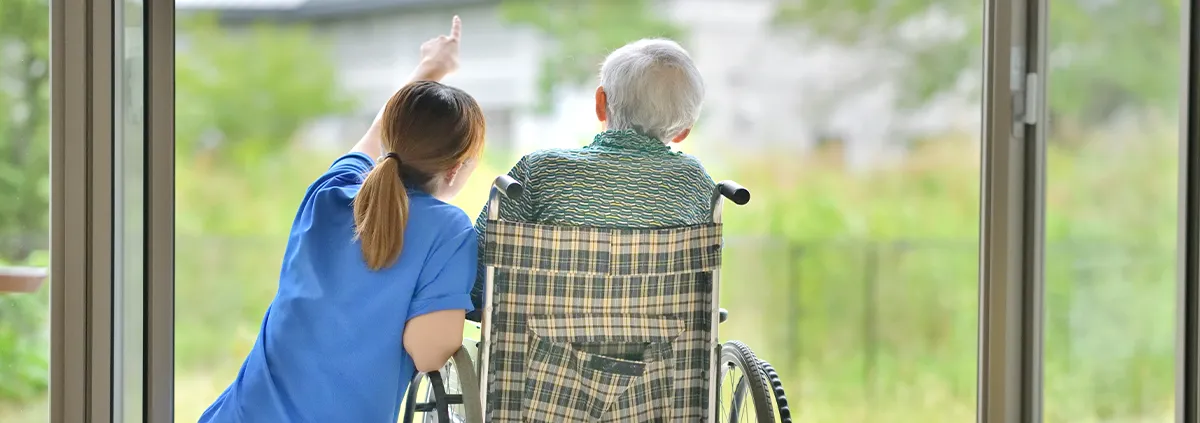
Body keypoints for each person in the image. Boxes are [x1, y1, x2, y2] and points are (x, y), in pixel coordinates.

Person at [200, 16, 485, 423]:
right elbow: (429, 351)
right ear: (456, 169)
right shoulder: (448, 229)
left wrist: (430, 69)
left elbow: (373, 138)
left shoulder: (330, 192)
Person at [469, 38, 714, 320]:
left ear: (601, 102)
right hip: (661, 358)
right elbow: (701, 282)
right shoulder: (694, 182)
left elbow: (481, 270)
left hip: (544, 355)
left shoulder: (542, 170)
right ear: (684, 130)